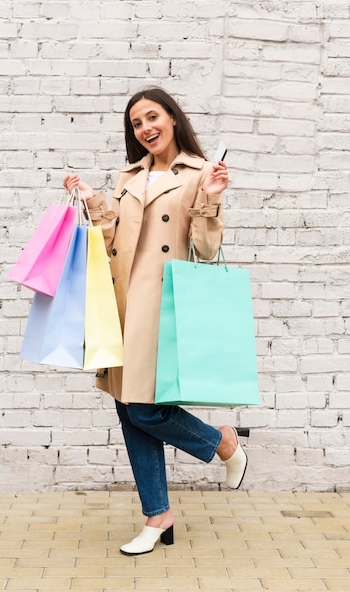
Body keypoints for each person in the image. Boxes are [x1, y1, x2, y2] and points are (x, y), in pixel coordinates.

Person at [63, 86, 247, 556]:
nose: (145, 129)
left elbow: (205, 249)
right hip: (121, 304)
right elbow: (111, 242)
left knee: (144, 407)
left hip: (161, 305)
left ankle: (220, 443)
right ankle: (157, 515)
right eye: (136, 123)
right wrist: (93, 201)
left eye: (152, 117)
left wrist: (210, 198)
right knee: (129, 410)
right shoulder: (129, 175)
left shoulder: (201, 173)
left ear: (172, 118)